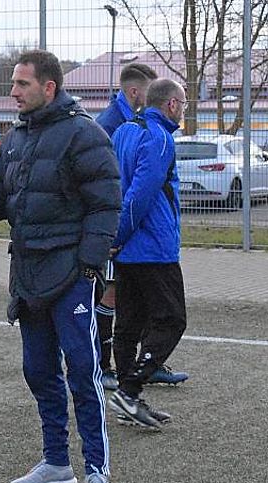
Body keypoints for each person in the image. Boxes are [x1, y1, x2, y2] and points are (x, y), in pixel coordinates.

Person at [0, 49, 120, 483]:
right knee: (38, 370)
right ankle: (57, 463)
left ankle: (97, 471)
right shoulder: (16, 137)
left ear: (49, 87)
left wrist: (89, 266)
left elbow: (106, 206)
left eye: (22, 84)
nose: (13, 92)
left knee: (83, 371)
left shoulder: (85, 134)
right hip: (27, 273)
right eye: (13, 83)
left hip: (71, 275)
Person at [94, 63, 189, 391]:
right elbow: (139, 195)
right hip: (152, 247)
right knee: (173, 320)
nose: (183, 110)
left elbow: (114, 186)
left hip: (126, 249)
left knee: (129, 323)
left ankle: (126, 391)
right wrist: (117, 235)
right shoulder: (159, 138)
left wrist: (113, 235)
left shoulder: (124, 131)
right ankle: (132, 385)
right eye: (183, 104)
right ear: (172, 104)